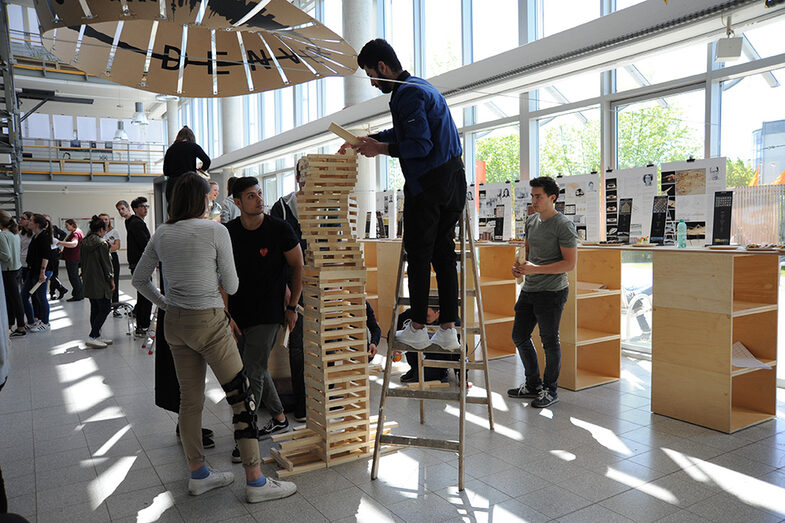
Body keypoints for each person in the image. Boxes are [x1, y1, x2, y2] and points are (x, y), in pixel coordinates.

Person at [132, 171, 296, 503]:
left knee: (189, 402)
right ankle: (255, 480)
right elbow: (232, 286)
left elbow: (139, 278)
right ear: (204, 199)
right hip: (209, 321)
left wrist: (166, 304)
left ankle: (198, 475)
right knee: (241, 396)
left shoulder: (162, 232)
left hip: (175, 325)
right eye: (210, 195)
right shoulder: (216, 230)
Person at [340, 38, 465, 353]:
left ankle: (419, 327)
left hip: (430, 185)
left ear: (382, 67)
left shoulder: (404, 94)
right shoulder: (422, 87)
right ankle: (449, 329)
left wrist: (379, 148)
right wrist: (370, 139)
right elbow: (406, 133)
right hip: (454, 181)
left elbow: (419, 145)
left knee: (419, 254)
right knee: (444, 254)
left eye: (371, 74)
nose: (371, 81)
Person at [224, 176, 303, 462]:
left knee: (252, 373)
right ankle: (280, 417)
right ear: (237, 202)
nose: (259, 199)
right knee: (254, 367)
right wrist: (226, 313)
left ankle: (246, 435)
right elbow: (221, 274)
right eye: (251, 196)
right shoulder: (228, 232)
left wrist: (292, 306)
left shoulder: (279, 229)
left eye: (259, 193)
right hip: (238, 313)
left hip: (270, 313)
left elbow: (297, 267)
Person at [508, 176, 577, 408]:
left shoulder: (563, 225)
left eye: (538, 196)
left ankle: (550, 390)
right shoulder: (531, 221)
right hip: (530, 288)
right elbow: (527, 252)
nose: (534, 200)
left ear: (552, 198)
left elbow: (569, 264)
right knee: (519, 335)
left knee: (549, 341)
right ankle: (533, 385)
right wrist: (519, 267)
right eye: (532, 196)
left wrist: (536, 269)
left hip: (552, 291)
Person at [270, 158, 306, 422]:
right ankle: (304, 404)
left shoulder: (329, 207)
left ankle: (325, 402)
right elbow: (274, 255)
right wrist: (284, 287)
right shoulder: (282, 209)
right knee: (299, 344)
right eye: (306, 177)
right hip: (295, 287)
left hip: (325, 287)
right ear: (297, 178)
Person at [397, 305, 460, 384]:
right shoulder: (415, 313)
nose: (423, 317)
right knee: (411, 338)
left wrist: (462, 377)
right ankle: (415, 368)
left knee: (422, 377)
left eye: (427, 315)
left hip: (438, 356)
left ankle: (442, 372)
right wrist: (394, 347)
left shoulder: (452, 321)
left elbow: (459, 349)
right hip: (421, 351)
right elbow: (395, 326)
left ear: (438, 312)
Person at [81, 215, 115, 349]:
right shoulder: (102, 243)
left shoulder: (85, 242)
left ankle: (97, 335)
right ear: (101, 229)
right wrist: (111, 280)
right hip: (100, 281)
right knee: (105, 308)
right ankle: (93, 335)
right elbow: (107, 265)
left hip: (89, 279)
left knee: (95, 308)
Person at [21, 214, 54, 332]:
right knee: (24, 296)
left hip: (41, 272)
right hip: (32, 271)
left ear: (37, 224)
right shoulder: (36, 236)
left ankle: (45, 323)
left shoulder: (44, 237)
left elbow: (46, 256)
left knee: (41, 297)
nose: (28, 222)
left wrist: (42, 273)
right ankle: (31, 321)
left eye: (30, 220)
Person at [163, 126, 211, 204]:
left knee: (174, 209)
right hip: (189, 182)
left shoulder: (171, 149)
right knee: (189, 207)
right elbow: (207, 161)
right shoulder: (194, 146)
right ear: (191, 137)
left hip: (173, 184)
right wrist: (201, 169)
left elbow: (166, 171)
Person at [126, 197, 152, 336]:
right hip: (141, 264)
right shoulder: (137, 224)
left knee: (143, 294)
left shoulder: (135, 222)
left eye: (147, 206)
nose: (145, 209)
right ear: (135, 209)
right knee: (146, 295)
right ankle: (143, 326)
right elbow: (145, 244)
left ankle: (142, 324)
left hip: (139, 263)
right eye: (142, 206)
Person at [0, 212, 25, 337]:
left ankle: (20, 327)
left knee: (14, 300)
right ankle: (10, 324)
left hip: (9, 271)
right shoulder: (14, 234)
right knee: (12, 299)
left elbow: (6, 256)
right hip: (16, 269)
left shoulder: (3, 235)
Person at [99, 213, 122, 310]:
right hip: (101, 259)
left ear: (109, 221)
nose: (104, 221)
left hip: (113, 258)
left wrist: (104, 247)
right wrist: (109, 247)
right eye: (102, 219)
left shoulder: (114, 231)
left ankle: (115, 307)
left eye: (106, 219)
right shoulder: (97, 233)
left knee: (114, 282)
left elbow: (117, 246)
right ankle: (104, 306)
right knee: (103, 282)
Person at [58, 218, 84, 302]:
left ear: (72, 225)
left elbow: (74, 244)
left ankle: (77, 295)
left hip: (73, 258)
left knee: (73, 277)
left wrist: (59, 242)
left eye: (67, 225)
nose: (66, 227)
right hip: (75, 257)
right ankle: (80, 294)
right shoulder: (77, 231)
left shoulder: (75, 233)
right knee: (75, 277)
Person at [47, 216, 68, 301]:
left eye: (47, 220)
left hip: (54, 252)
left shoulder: (54, 228)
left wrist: (57, 242)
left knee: (54, 274)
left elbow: (64, 234)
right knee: (49, 273)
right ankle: (60, 288)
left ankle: (53, 293)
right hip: (46, 253)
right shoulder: (42, 231)